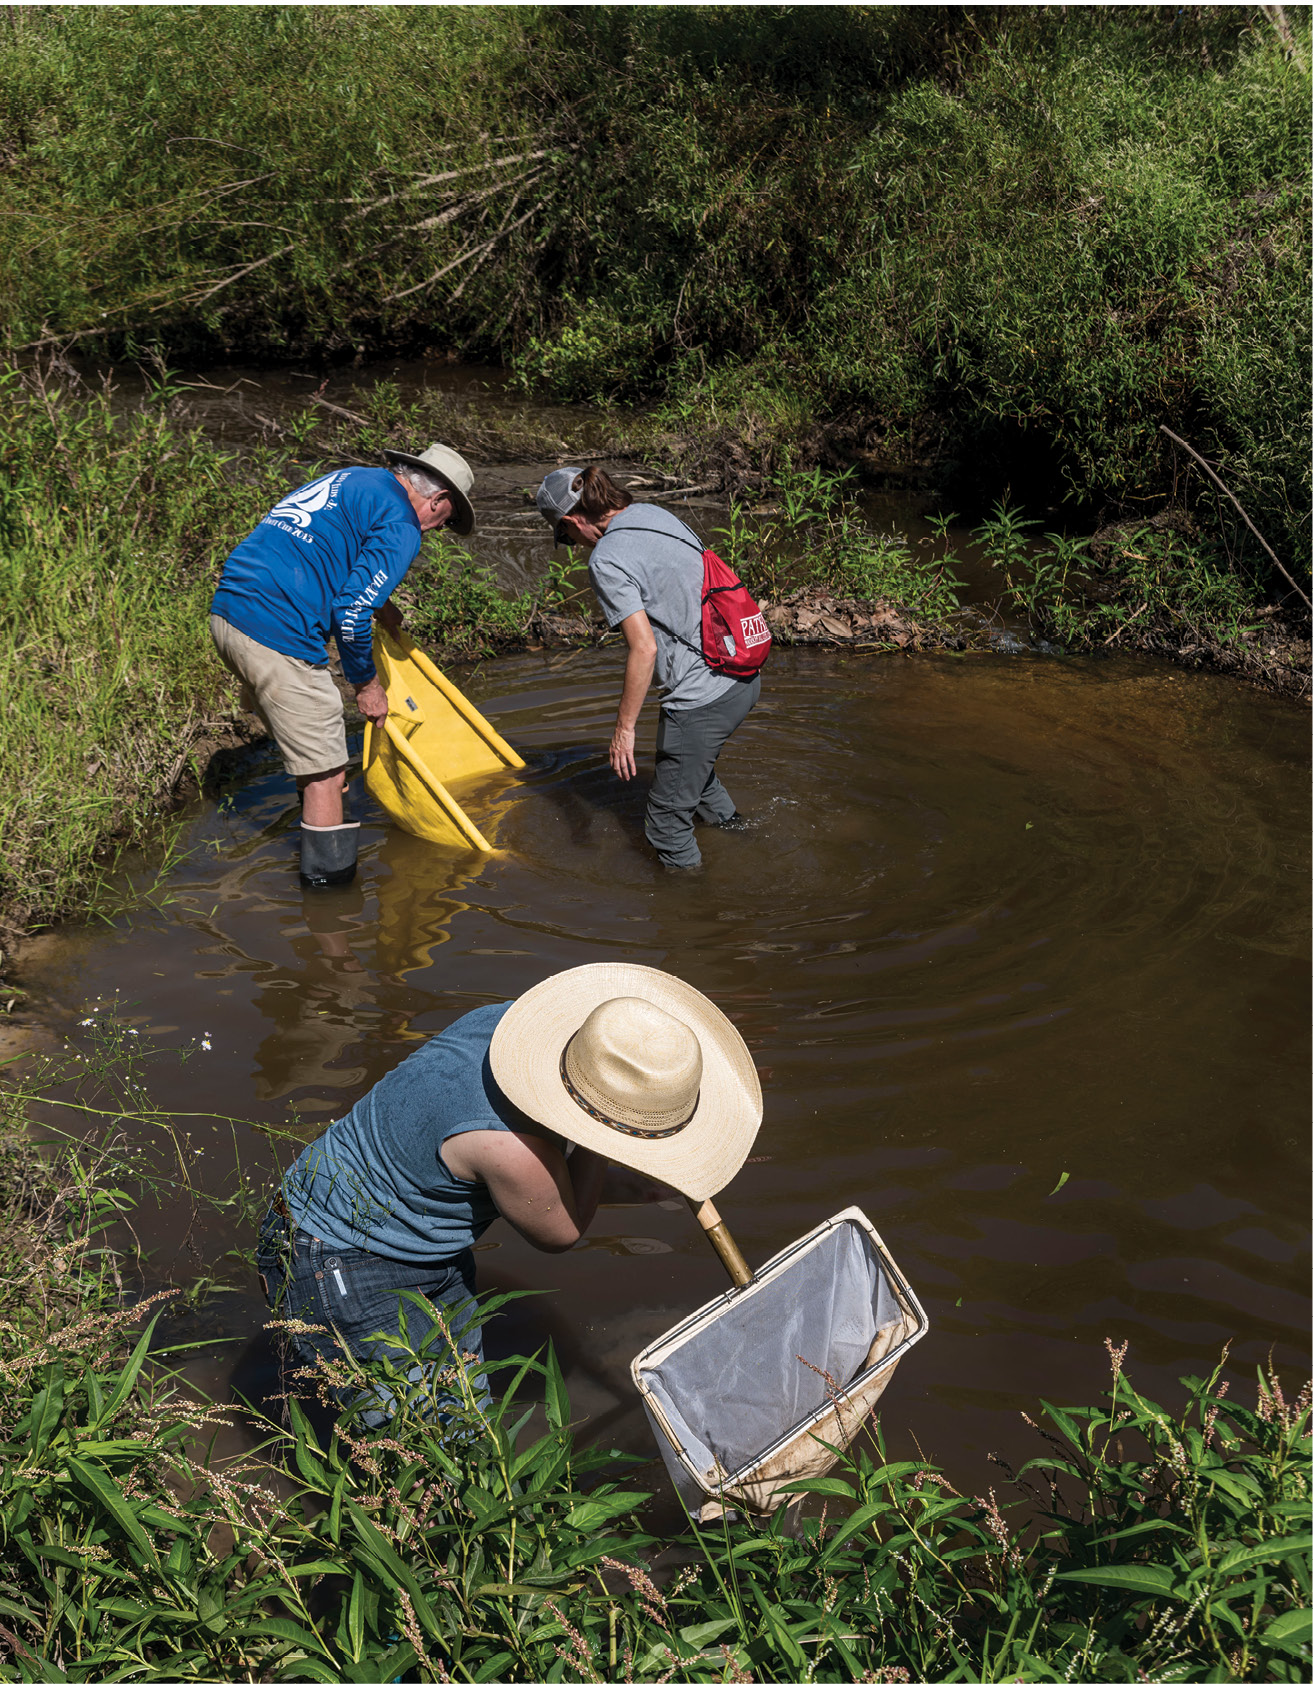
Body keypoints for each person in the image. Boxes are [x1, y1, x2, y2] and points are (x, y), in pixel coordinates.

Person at [256, 962, 762, 1424]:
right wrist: (605, 1143)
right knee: (415, 1442)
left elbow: (542, 1176)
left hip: (402, 1221)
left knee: (463, 1409)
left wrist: (636, 1182)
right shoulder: (510, 1148)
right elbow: (560, 1230)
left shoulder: (513, 1027)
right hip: (341, 1254)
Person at [210, 443, 476, 888]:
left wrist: (383, 605)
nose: (434, 530)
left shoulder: (355, 479)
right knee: (328, 775)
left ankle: (321, 823)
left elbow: (326, 546)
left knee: (323, 763)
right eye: (444, 522)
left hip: (229, 612)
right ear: (438, 500)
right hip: (278, 632)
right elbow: (351, 610)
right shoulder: (403, 523)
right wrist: (367, 685)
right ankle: (329, 905)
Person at [535, 467, 761, 871]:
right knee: (696, 777)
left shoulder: (606, 558)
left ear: (571, 521)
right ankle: (747, 843)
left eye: (567, 538)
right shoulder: (654, 514)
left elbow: (644, 648)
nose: (575, 547)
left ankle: (696, 921)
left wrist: (623, 731)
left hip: (701, 697)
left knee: (665, 827)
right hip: (741, 675)